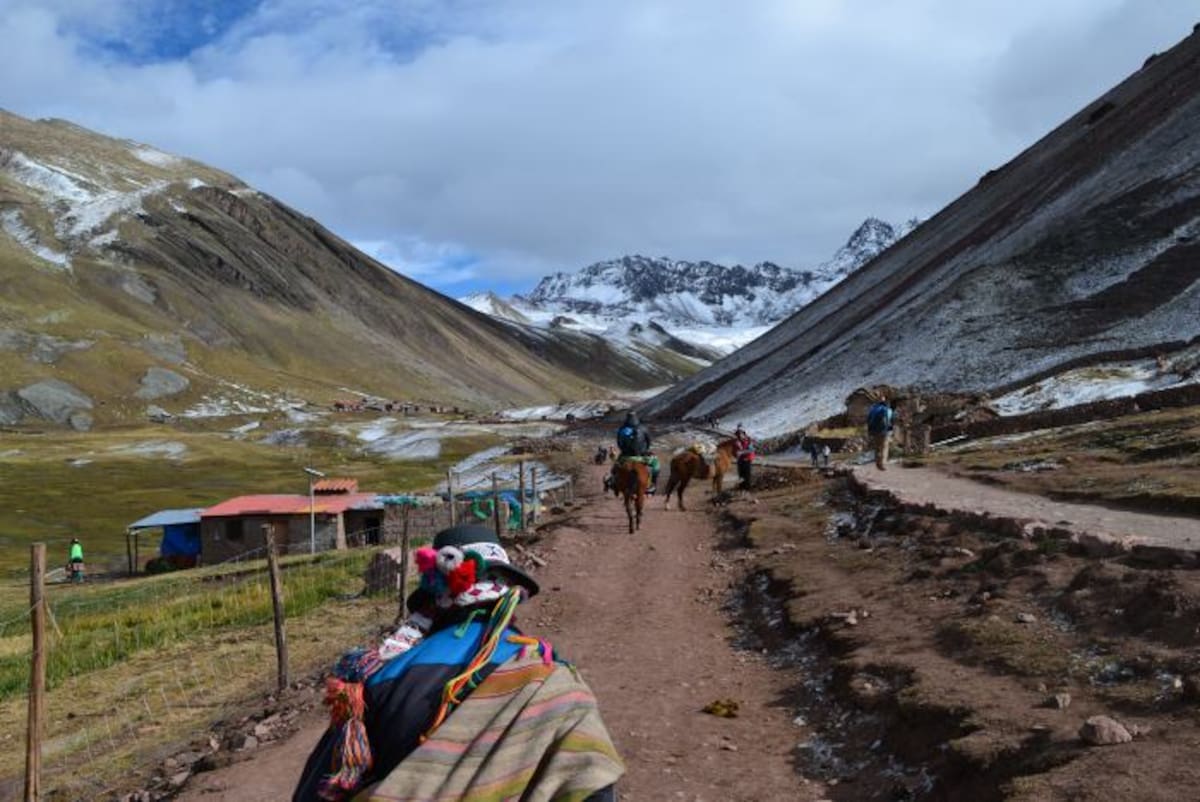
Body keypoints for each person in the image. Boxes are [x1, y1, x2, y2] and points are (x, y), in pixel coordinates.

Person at [294, 524, 623, 802]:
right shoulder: (555, 679)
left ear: (432, 601)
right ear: (510, 597)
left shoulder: (379, 678)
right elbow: (591, 784)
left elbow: (316, 791)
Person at [615, 411, 658, 492]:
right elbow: (649, 441)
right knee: (656, 465)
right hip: (642, 455)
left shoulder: (622, 429)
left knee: (616, 467)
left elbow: (619, 443)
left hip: (626, 455)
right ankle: (652, 485)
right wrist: (645, 450)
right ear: (636, 418)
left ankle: (615, 483)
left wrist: (624, 450)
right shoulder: (644, 428)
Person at [866, 397, 896, 470]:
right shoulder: (888, 410)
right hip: (884, 431)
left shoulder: (872, 409)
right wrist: (891, 429)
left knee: (877, 448)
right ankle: (882, 464)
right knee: (884, 447)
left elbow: (868, 420)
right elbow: (891, 420)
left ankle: (877, 463)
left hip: (874, 431)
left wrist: (869, 431)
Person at [733, 425, 756, 491]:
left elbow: (751, 450)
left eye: (740, 434)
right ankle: (742, 489)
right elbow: (734, 452)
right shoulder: (736, 442)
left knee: (747, 475)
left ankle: (747, 489)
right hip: (740, 460)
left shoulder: (748, 440)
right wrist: (736, 453)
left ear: (744, 433)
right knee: (741, 475)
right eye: (737, 434)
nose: (739, 436)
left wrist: (741, 451)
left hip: (747, 459)